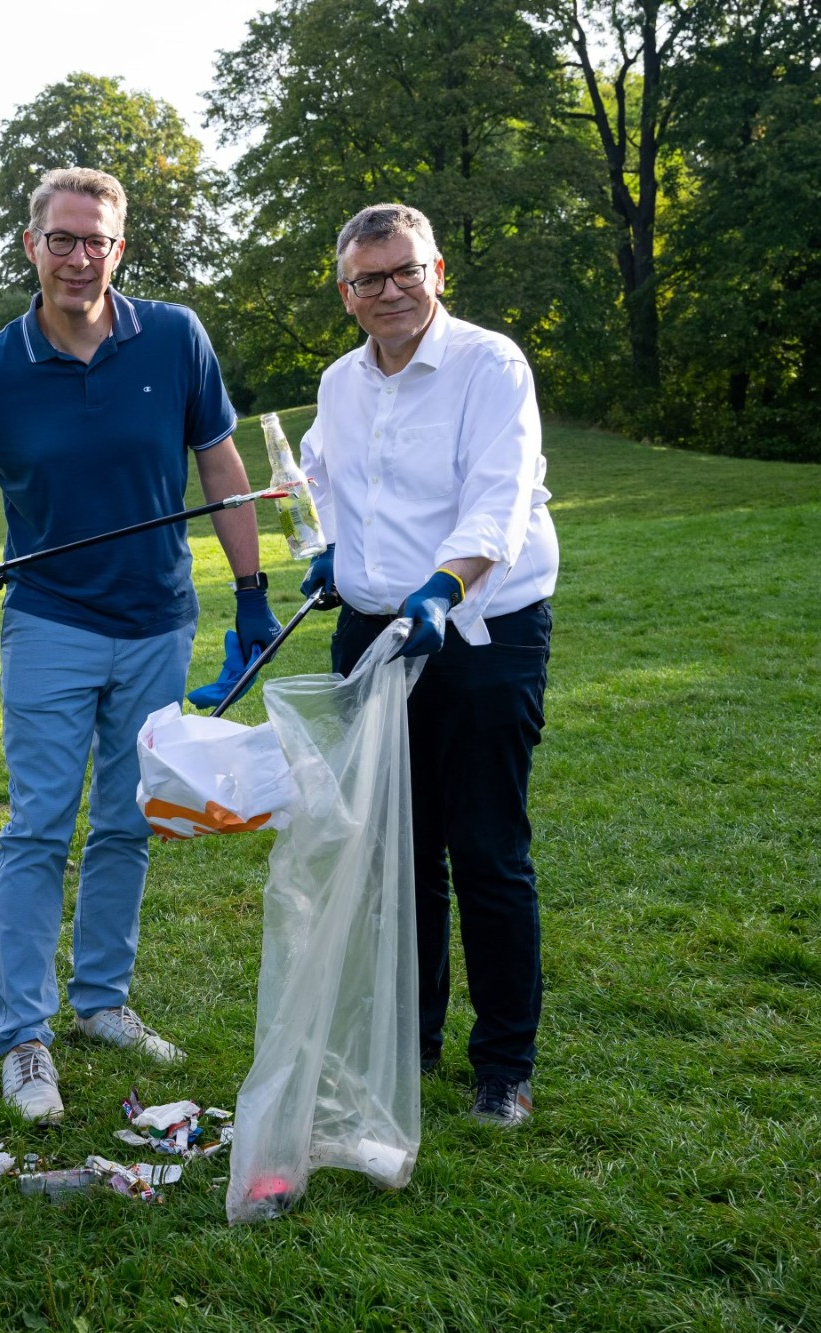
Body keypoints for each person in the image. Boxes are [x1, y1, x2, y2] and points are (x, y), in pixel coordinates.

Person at [0, 167, 282, 1122]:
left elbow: (221, 462)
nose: (78, 257)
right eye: (60, 239)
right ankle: (24, 1036)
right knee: (36, 826)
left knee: (124, 822)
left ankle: (101, 1001)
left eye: (95, 240)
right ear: (30, 246)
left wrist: (251, 590)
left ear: (120, 246)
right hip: (51, 623)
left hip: (158, 619)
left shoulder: (176, 337)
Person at [299, 203, 557, 1126]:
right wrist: (327, 549)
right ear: (346, 294)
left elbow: (501, 494)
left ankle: (504, 1066)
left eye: (405, 271)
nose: (391, 291)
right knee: (394, 855)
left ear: (437, 270)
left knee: (486, 848)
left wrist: (443, 588)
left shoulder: (491, 364)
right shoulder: (339, 381)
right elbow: (321, 476)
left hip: (479, 632)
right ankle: (411, 1041)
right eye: (370, 279)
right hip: (373, 635)